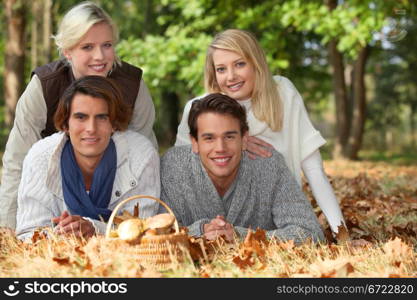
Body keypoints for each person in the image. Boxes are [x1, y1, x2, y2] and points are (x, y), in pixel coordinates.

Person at [0, 1, 157, 229]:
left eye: (107, 45)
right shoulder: (44, 86)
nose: (100, 56)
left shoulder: (133, 86)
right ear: (67, 51)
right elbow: (17, 160)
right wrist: (7, 230)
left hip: (114, 194)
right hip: (54, 195)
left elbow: (144, 154)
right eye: (87, 47)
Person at [175, 29, 345, 234]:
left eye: (239, 64)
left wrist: (341, 234)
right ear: (213, 74)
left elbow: (313, 168)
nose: (231, 76)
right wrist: (232, 143)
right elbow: (182, 174)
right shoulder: (199, 110)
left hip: (277, 222)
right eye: (221, 69)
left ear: (256, 63)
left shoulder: (283, 94)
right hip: (214, 220)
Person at [161, 93, 324, 244]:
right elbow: (155, 232)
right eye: (209, 138)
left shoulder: (270, 165)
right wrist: (200, 231)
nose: (220, 148)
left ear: (245, 139)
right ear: (194, 143)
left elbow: (310, 233)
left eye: (229, 136)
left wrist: (240, 236)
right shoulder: (173, 167)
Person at [15, 76, 160, 240]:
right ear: (65, 124)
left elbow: (145, 231)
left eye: (101, 117)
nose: (91, 129)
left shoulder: (141, 156)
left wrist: (94, 229)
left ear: (114, 124)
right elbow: (27, 233)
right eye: (80, 117)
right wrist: (64, 234)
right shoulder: (40, 157)